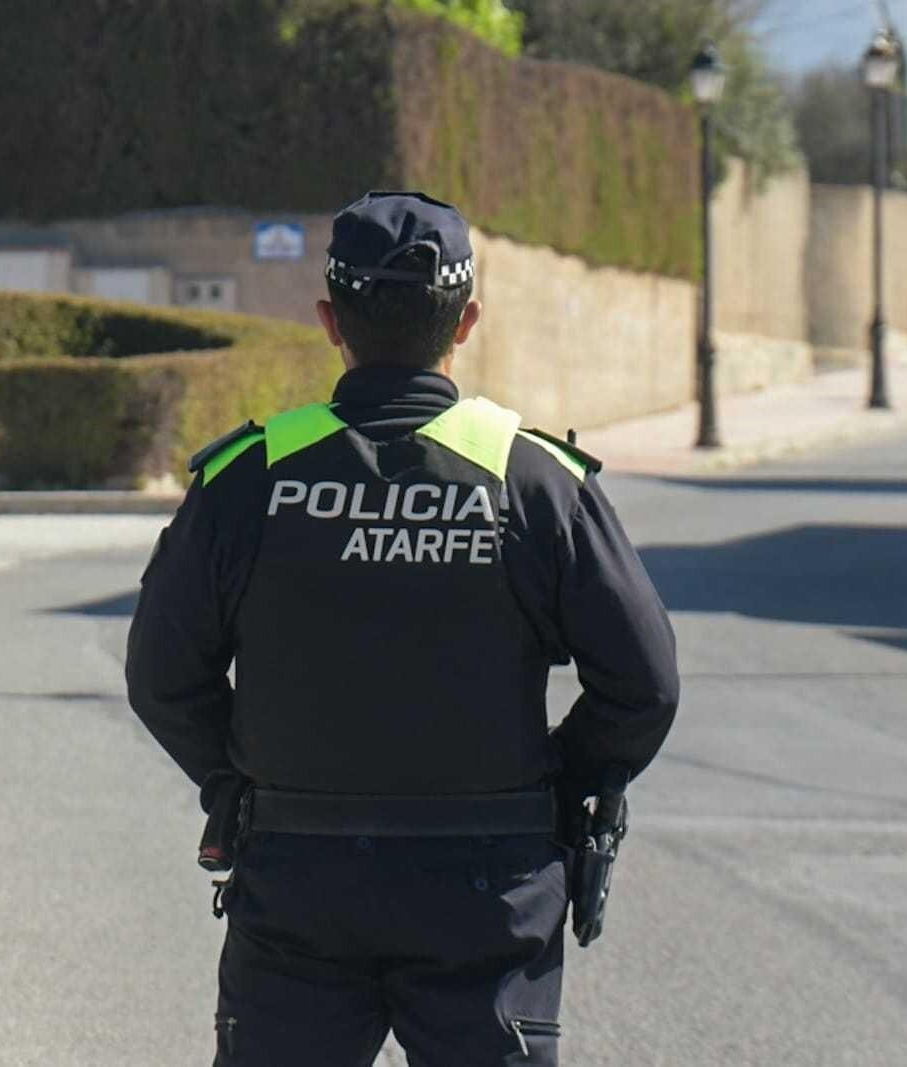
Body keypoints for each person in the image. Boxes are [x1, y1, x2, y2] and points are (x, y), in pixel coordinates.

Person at [125, 191, 680, 1066]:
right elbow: (643, 683)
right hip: (489, 889)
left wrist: (234, 778)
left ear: (328, 320)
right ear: (467, 322)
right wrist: (552, 785)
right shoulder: (533, 480)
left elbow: (161, 674)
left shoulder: (249, 477)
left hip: (298, 881)